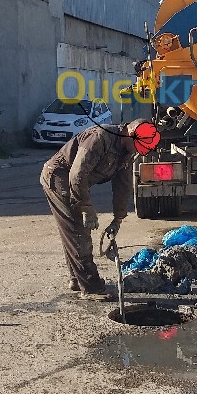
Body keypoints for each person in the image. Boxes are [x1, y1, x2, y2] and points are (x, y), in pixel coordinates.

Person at [40, 118, 160, 298]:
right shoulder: (100, 137)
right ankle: (91, 287)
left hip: (75, 181)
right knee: (77, 231)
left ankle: (77, 279)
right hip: (58, 177)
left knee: (73, 232)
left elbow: (123, 185)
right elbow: (77, 175)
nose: (137, 150)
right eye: (138, 145)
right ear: (129, 132)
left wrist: (118, 219)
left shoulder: (127, 150)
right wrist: (87, 209)